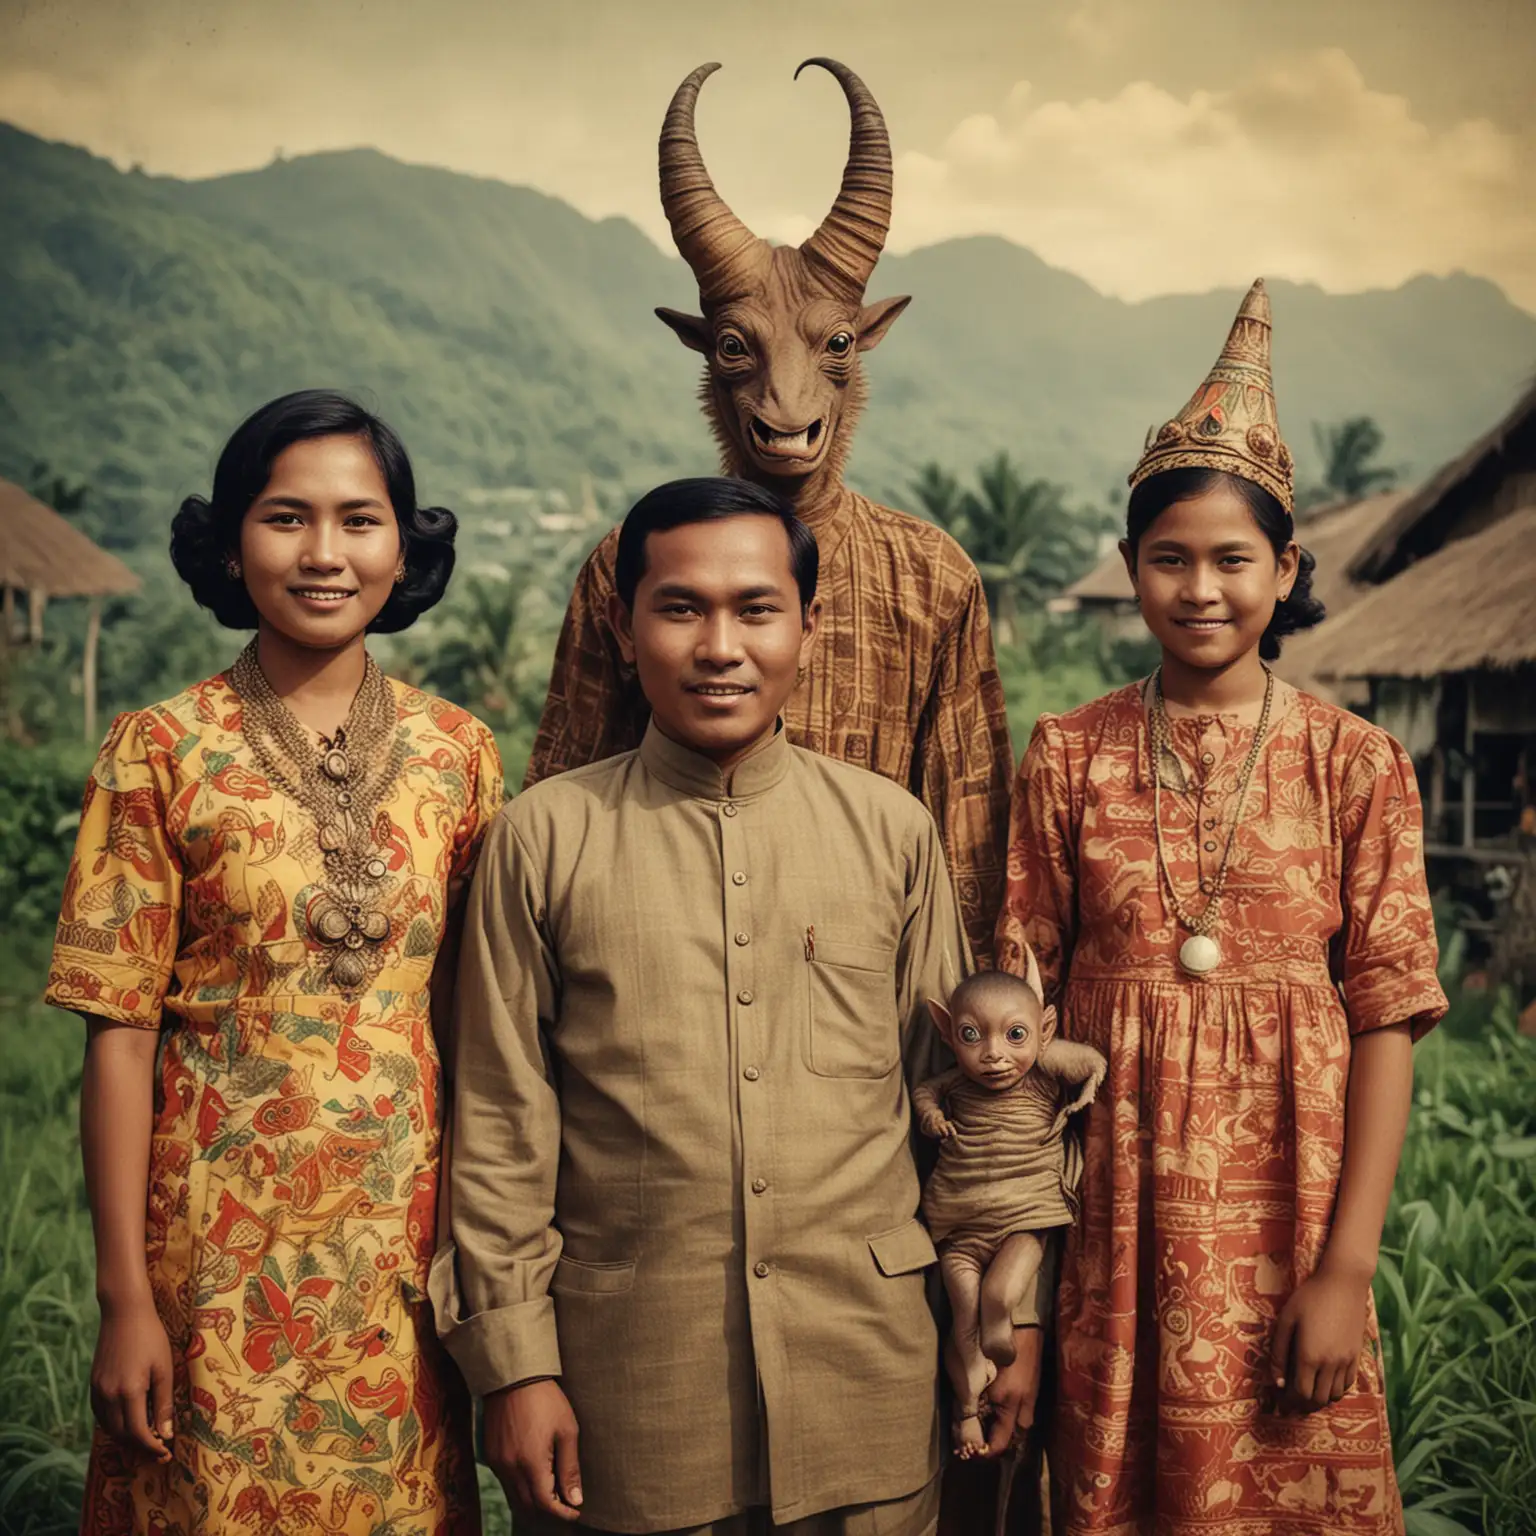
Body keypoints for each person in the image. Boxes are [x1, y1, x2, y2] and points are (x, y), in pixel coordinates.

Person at [431, 476, 972, 1536]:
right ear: (623, 626)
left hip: (868, 1386)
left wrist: (1004, 1314)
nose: (719, 645)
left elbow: (957, 1108)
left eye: (756, 609)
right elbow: (498, 1127)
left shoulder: (891, 832)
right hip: (628, 1400)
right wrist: (514, 1366)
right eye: (679, 608)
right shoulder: (543, 840)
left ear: (809, 629)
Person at [995, 280, 1448, 1535]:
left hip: (1291, 1222)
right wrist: (1019, 1284)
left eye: (1233, 559)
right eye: (1170, 558)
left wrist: (1346, 1267)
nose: (1201, 588)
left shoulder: (1355, 764)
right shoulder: (1068, 755)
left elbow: (1388, 1020)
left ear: (1287, 568)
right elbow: (1016, 1033)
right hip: (1110, 1230)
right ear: (1132, 566)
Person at [45, 390, 501, 1534]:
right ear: (232, 542)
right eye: (285, 517)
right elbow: (121, 1034)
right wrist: (125, 1301)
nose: (324, 553)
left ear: (405, 543)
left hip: (405, 1262)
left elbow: (477, 1022)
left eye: (360, 519)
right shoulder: (159, 750)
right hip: (210, 1258)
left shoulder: (462, 755)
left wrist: (485, 1271)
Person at [914, 972, 1104, 1460]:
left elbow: (1090, 1063)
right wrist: (932, 1116)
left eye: (1014, 1036)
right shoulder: (954, 1083)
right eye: (971, 1037)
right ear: (946, 1030)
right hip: (960, 1227)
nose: (994, 1054)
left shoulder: (1040, 1075)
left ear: (1044, 1029)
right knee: (963, 1311)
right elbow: (924, 1094)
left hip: (1022, 1221)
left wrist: (1063, 1066)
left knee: (996, 1293)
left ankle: (996, 1333)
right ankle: (967, 1412)